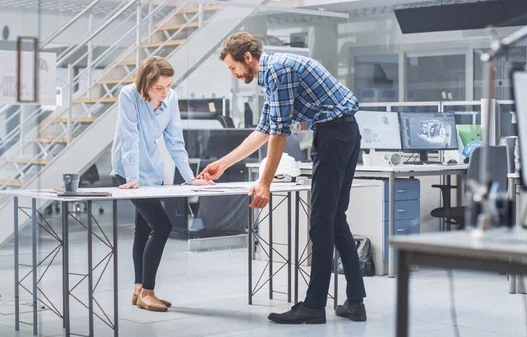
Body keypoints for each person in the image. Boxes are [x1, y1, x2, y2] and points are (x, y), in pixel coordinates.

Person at [198, 32, 367, 324]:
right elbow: (264, 129)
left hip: (334, 137)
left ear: (247, 58)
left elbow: (279, 133)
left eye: (232, 67)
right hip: (345, 133)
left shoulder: (278, 72)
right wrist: (223, 164)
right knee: (336, 219)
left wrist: (264, 182)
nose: (234, 74)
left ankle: (314, 307)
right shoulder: (275, 73)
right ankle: (355, 302)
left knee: (322, 224)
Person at [111, 56, 213, 312]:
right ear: (145, 83)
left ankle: (138, 289)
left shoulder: (171, 98)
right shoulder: (129, 95)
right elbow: (129, 138)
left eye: (168, 85)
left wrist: (190, 178)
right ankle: (148, 291)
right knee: (162, 225)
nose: (165, 91)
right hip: (128, 173)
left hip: (153, 173)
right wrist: (133, 179)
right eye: (159, 87)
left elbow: (175, 141)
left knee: (143, 229)